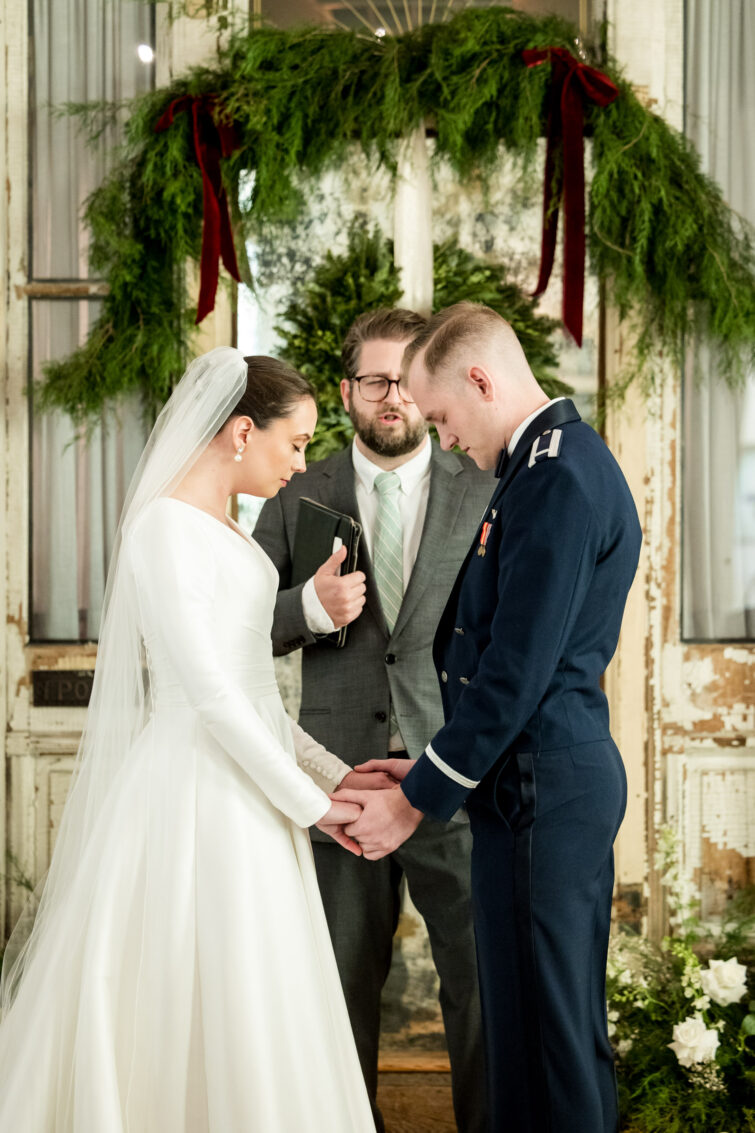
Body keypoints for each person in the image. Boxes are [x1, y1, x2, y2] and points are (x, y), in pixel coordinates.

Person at [0, 348, 376, 1131]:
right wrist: (309, 804)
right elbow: (208, 694)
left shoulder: (228, 531)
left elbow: (256, 697)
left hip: (246, 785)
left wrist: (339, 779)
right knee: (182, 987)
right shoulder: (165, 527)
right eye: (295, 442)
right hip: (191, 792)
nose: (300, 464)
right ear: (242, 431)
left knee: (256, 993)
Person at [340, 302, 643, 1133]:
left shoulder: (558, 474)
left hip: (543, 785)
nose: (442, 440)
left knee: (549, 1042)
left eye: (442, 417)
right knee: (523, 1037)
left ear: (480, 378)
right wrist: (434, 766)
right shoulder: (543, 467)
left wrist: (418, 794)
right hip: (523, 783)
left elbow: (515, 669)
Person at [254, 307, 492, 1133]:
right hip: (340, 783)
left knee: (477, 988)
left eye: (403, 380)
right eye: (373, 382)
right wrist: (308, 608)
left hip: (451, 781)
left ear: (427, 385)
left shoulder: (483, 486)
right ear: (347, 389)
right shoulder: (295, 491)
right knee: (336, 990)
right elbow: (239, 625)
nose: (391, 398)